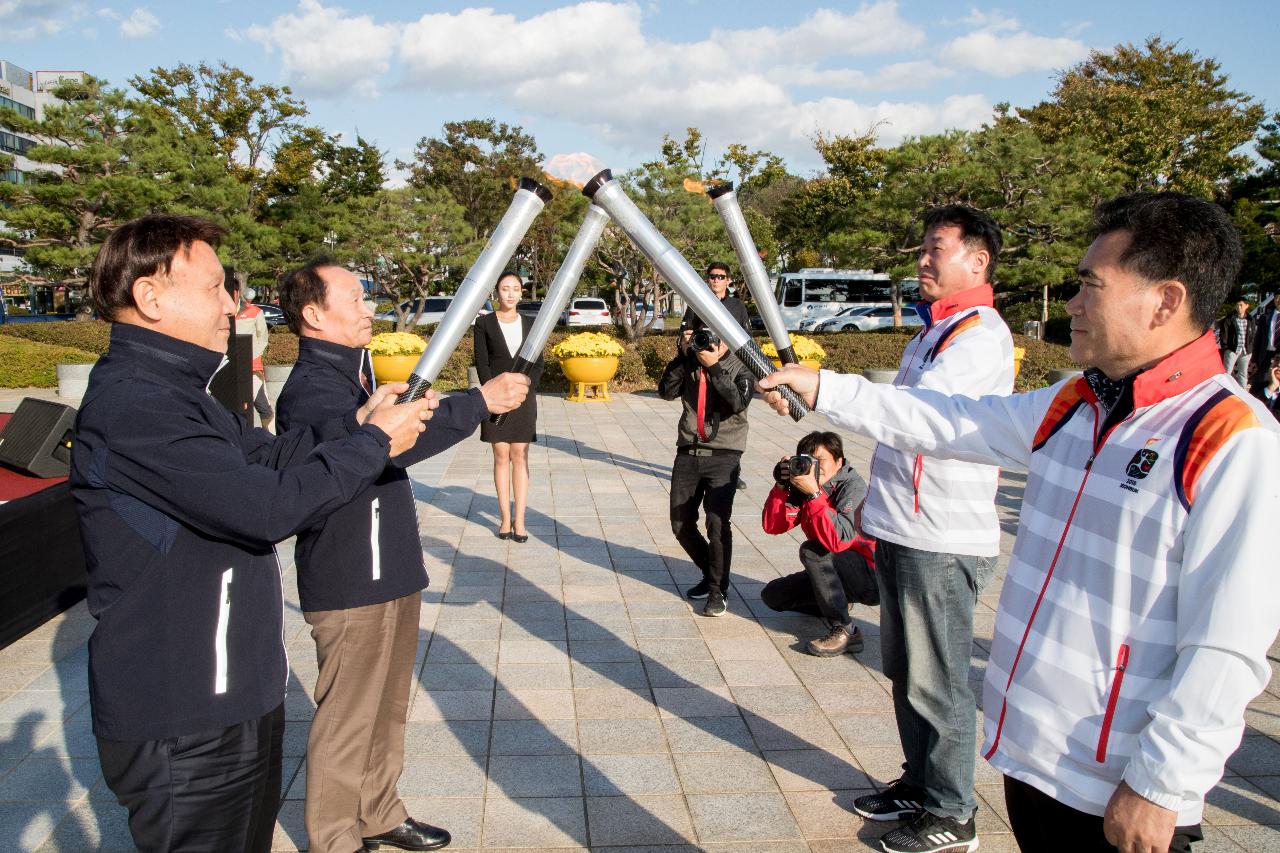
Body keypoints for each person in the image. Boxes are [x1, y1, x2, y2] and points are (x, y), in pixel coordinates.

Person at [759, 192, 1280, 853]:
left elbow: (1229, 643)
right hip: (1032, 761)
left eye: (1091, 285)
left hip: (1120, 787)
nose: (1072, 303)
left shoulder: (1232, 437)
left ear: (1165, 301)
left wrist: (1162, 782)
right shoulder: (1074, 402)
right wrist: (824, 388)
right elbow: (948, 419)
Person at [69, 215, 438, 853]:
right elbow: (265, 508)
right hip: (184, 710)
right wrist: (375, 443)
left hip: (235, 694)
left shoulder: (184, 391)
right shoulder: (138, 405)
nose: (234, 306)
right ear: (151, 297)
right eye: (215, 288)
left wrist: (357, 425)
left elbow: (267, 458)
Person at [276, 259, 528, 853]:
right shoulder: (312, 391)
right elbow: (364, 450)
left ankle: (379, 813)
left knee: (386, 709)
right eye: (355, 300)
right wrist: (478, 401)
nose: (368, 308)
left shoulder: (355, 379)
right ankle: (335, 838)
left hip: (390, 568)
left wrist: (475, 406)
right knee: (347, 718)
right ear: (314, 314)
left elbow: (403, 444)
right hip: (348, 578)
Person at [658, 299, 754, 617]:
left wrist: (714, 366)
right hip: (688, 449)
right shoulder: (691, 359)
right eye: (704, 329)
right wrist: (683, 355)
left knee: (716, 522)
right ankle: (712, 573)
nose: (710, 337)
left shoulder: (742, 364)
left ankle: (717, 590)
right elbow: (666, 392)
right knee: (680, 524)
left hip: (724, 453)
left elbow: (737, 403)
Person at [759, 430, 879, 656]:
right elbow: (773, 526)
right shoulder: (806, 485)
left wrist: (814, 495)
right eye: (807, 461)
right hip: (835, 570)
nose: (814, 467)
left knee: (813, 551)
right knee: (773, 596)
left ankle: (845, 630)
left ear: (839, 461)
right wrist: (781, 487)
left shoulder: (853, 487)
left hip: (871, 576)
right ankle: (838, 602)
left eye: (820, 461)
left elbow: (839, 540)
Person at [473, 271, 544, 542]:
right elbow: (482, 363)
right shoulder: (484, 324)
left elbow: (538, 363)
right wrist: (494, 394)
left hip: (524, 399)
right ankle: (505, 518)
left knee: (520, 456)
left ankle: (520, 520)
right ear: (496, 292)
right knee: (501, 456)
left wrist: (524, 386)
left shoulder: (531, 324)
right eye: (505, 289)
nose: (511, 293)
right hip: (495, 400)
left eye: (515, 288)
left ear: (521, 293)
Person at [681, 262, 751, 490]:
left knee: (734, 418)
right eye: (712, 276)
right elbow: (686, 335)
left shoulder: (737, 306)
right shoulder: (695, 305)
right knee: (701, 416)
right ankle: (699, 464)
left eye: (721, 277)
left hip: (730, 366)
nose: (716, 280)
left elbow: (747, 339)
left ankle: (733, 469)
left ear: (728, 280)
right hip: (703, 368)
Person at [224, 266, 275, 429]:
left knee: (263, 407)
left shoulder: (254, 312)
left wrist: (249, 356)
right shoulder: (221, 313)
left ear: (237, 292)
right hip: (228, 368)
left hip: (251, 368)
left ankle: (270, 439)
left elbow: (263, 338)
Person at [1213, 296, 1254, 386]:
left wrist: (1251, 347)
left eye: (1241, 305)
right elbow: (1224, 333)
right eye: (1237, 305)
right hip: (1232, 349)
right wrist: (1226, 347)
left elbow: (1252, 335)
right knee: (1226, 372)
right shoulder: (1230, 318)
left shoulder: (1250, 319)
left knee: (1243, 374)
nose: (1238, 307)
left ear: (1246, 306)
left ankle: (1242, 394)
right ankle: (1225, 389)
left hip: (1246, 351)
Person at [1250, 291, 1279, 395]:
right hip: (1265, 354)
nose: (1279, 300)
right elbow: (1258, 338)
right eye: (1276, 298)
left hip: (1278, 355)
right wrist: (1254, 359)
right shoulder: (1265, 316)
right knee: (1259, 381)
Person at [1255, 353, 1280, 420]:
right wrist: (1271, 387)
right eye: (1277, 360)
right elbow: (1252, 407)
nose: (1279, 364)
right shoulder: (1259, 386)